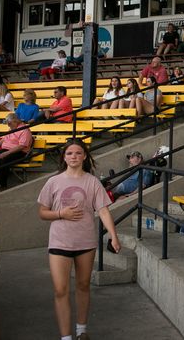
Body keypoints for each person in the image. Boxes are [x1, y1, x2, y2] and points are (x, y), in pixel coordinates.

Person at [37, 139, 121, 340]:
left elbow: (103, 210)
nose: (73, 156)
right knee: (60, 290)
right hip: (59, 242)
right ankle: (66, 337)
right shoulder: (53, 182)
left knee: (83, 286)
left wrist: (113, 236)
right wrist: (61, 213)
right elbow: (42, 212)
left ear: (84, 156)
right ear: (64, 157)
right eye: (69, 153)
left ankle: (81, 330)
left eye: (78, 153)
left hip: (85, 242)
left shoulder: (92, 182)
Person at [0, 113, 33, 190]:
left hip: (19, 152)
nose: (8, 125)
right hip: (6, 151)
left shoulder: (24, 130)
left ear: (15, 121)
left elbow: (22, 146)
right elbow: (3, 139)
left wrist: (6, 153)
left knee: (4, 160)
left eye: (9, 123)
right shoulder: (12, 128)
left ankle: (2, 184)